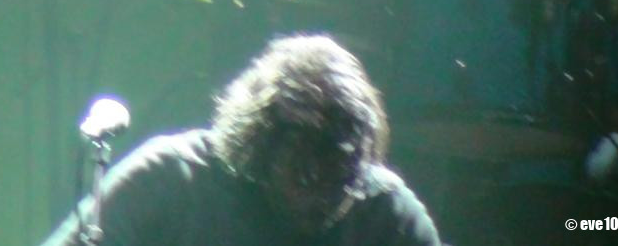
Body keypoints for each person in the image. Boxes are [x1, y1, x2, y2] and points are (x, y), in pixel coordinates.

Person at [41, 34, 441, 246]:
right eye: (305, 172)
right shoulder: (172, 179)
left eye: (342, 177)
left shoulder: (387, 214)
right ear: (262, 145)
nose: (325, 194)